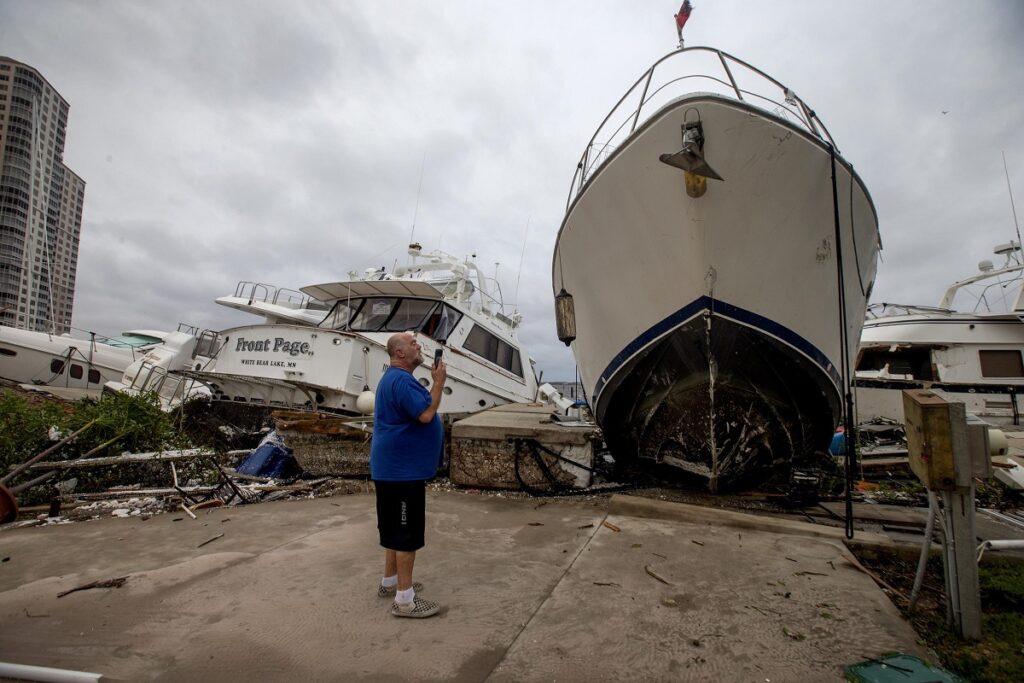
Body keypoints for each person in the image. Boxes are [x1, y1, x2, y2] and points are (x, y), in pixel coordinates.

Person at [371, 331, 447, 618]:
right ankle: (405, 600)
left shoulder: (393, 379)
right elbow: (426, 413)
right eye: (414, 344)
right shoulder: (401, 380)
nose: (419, 347)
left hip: (393, 468)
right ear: (400, 353)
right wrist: (439, 383)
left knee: (393, 529)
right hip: (402, 471)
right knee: (405, 533)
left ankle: (390, 583)